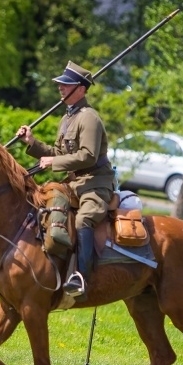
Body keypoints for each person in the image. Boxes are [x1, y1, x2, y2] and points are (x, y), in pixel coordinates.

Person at [17, 61, 115, 297]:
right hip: (73, 184)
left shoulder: (89, 118)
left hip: (95, 184)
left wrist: (54, 162)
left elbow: (88, 156)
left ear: (80, 89)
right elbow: (59, 153)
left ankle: (81, 277)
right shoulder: (67, 118)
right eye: (60, 84)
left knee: (83, 220)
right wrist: (32, 143)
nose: (60, 88)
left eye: (66, 85)